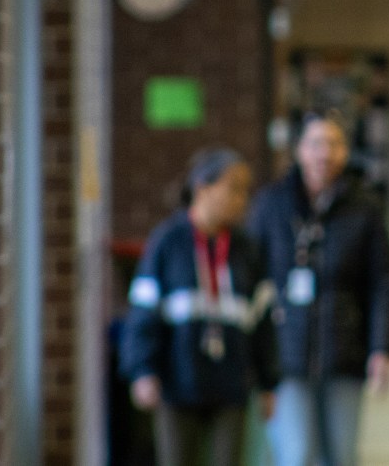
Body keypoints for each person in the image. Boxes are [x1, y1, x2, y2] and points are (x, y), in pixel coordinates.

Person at [247, 112, 389, 466]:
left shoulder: (365, 209)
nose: (324, 154)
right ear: (299, 151)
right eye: (315, 144)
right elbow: (251, 277)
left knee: (341, 456)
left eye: (333, 144)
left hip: (345, 350)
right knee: (297, 455)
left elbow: (383, 283)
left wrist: (381, 349)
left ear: (345, 153)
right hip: (286, 355)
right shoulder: (272, 205)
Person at [120, 147, 280, 466]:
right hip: (178, 383)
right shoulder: (167, 242)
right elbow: (142, 314)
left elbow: (264, 320)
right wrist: (143, 370)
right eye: (233, 189)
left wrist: (268, 382)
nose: (242, 200)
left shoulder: (246, 249)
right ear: (202, 188)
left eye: (245, 191)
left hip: (230, 384)